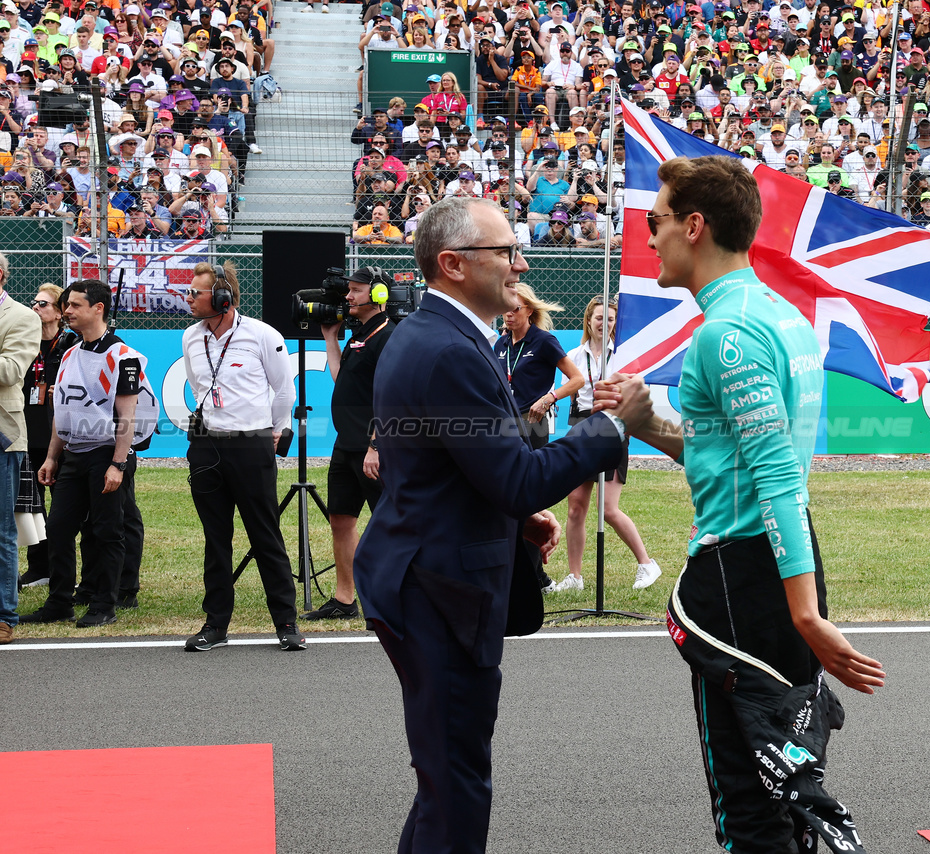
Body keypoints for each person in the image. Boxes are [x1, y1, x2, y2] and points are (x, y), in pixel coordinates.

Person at [594, 156, 885, 853]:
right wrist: (645, 425)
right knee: (779, 782)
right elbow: (727, 462)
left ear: (694, 226)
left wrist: (805, 613)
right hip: (774, 556)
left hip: (744, 575)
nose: (650, 236)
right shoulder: (777, 315)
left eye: (656, 222)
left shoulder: (723, 336)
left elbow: (776, 474)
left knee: (749, 805)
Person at [352, 197, 652, 854]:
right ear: (454, 264)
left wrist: (514, 513)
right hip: (440, 587)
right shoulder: (448, 348)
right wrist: (609, 428)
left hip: (423, 570)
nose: (520, 264)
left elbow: (464, 467)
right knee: (456, 784)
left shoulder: (435, 334)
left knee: (444, 779)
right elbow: (513, 475)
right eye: (506, 252)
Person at [180, 261, 305, 653]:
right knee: (216, 540)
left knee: (265, 536)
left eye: (196, 293)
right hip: (206, 444)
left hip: (251, 444)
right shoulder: (189, 337)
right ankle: (215, 625)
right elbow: (199, 384)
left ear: (222, 298)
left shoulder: (262, 335)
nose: (189, 298)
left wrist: (273, 429)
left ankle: (286, 623)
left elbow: (284, 390)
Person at [21, 279, 157, 629]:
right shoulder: (69, 353)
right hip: (74, 455)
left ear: (98, 308)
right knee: (60, 528)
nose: (67, 311)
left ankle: (104, 604)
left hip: (106, 454)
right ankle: (59, 602)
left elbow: (128, 417)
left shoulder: (123, 356)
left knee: (107, 530)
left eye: (75, 305)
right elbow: (62, 411)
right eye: (65, 305)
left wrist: (118, 463)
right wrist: (53, 457)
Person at [555, 295, 661, 593]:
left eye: (610, 319)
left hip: (613, 427)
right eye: (599, 317)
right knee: (576, 507)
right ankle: (575, 577)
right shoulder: (575, 356)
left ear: (617, 323)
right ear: (589, 320)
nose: (604, 323)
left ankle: (647, 564)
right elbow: (570, 394)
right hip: (581, 426)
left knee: (607, 509)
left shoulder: (624, 357)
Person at [308, 267, 397, 621]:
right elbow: (341, 377)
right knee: (341, 519)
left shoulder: (389, 336)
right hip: (345, 445)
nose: (348, 297)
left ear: (377, 295)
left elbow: (391, 397)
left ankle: (391, 601)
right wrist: (330, 339)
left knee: (387, 524)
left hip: (372, 449)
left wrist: (376, 445)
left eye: (356, 291)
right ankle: (345, 600)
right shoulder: (359, 335)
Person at [0, 252, 40, 644]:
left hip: (2, 436)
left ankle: (4, 616)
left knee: (1, 532)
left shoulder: (22, 317)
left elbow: (11, 370)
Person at [16, 284, 67, 590]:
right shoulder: (25, 341)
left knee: (63, 510)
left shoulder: (70, 344)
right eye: (33, 302)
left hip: (60, 439)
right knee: (32, 507)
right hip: (28, 435)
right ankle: (39, 567)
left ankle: (63, 569)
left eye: (43, 304)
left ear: (60, 312)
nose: (36, 307)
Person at [493, 283, 583, 452]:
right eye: (506, 307)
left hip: (533, 422)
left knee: (532, 474)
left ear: (529, 310)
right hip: (504, 421)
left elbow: (578, 379)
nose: (509, 314)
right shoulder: (501, 343)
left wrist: (549, 398)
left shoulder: (544, 341)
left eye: (516, 308)